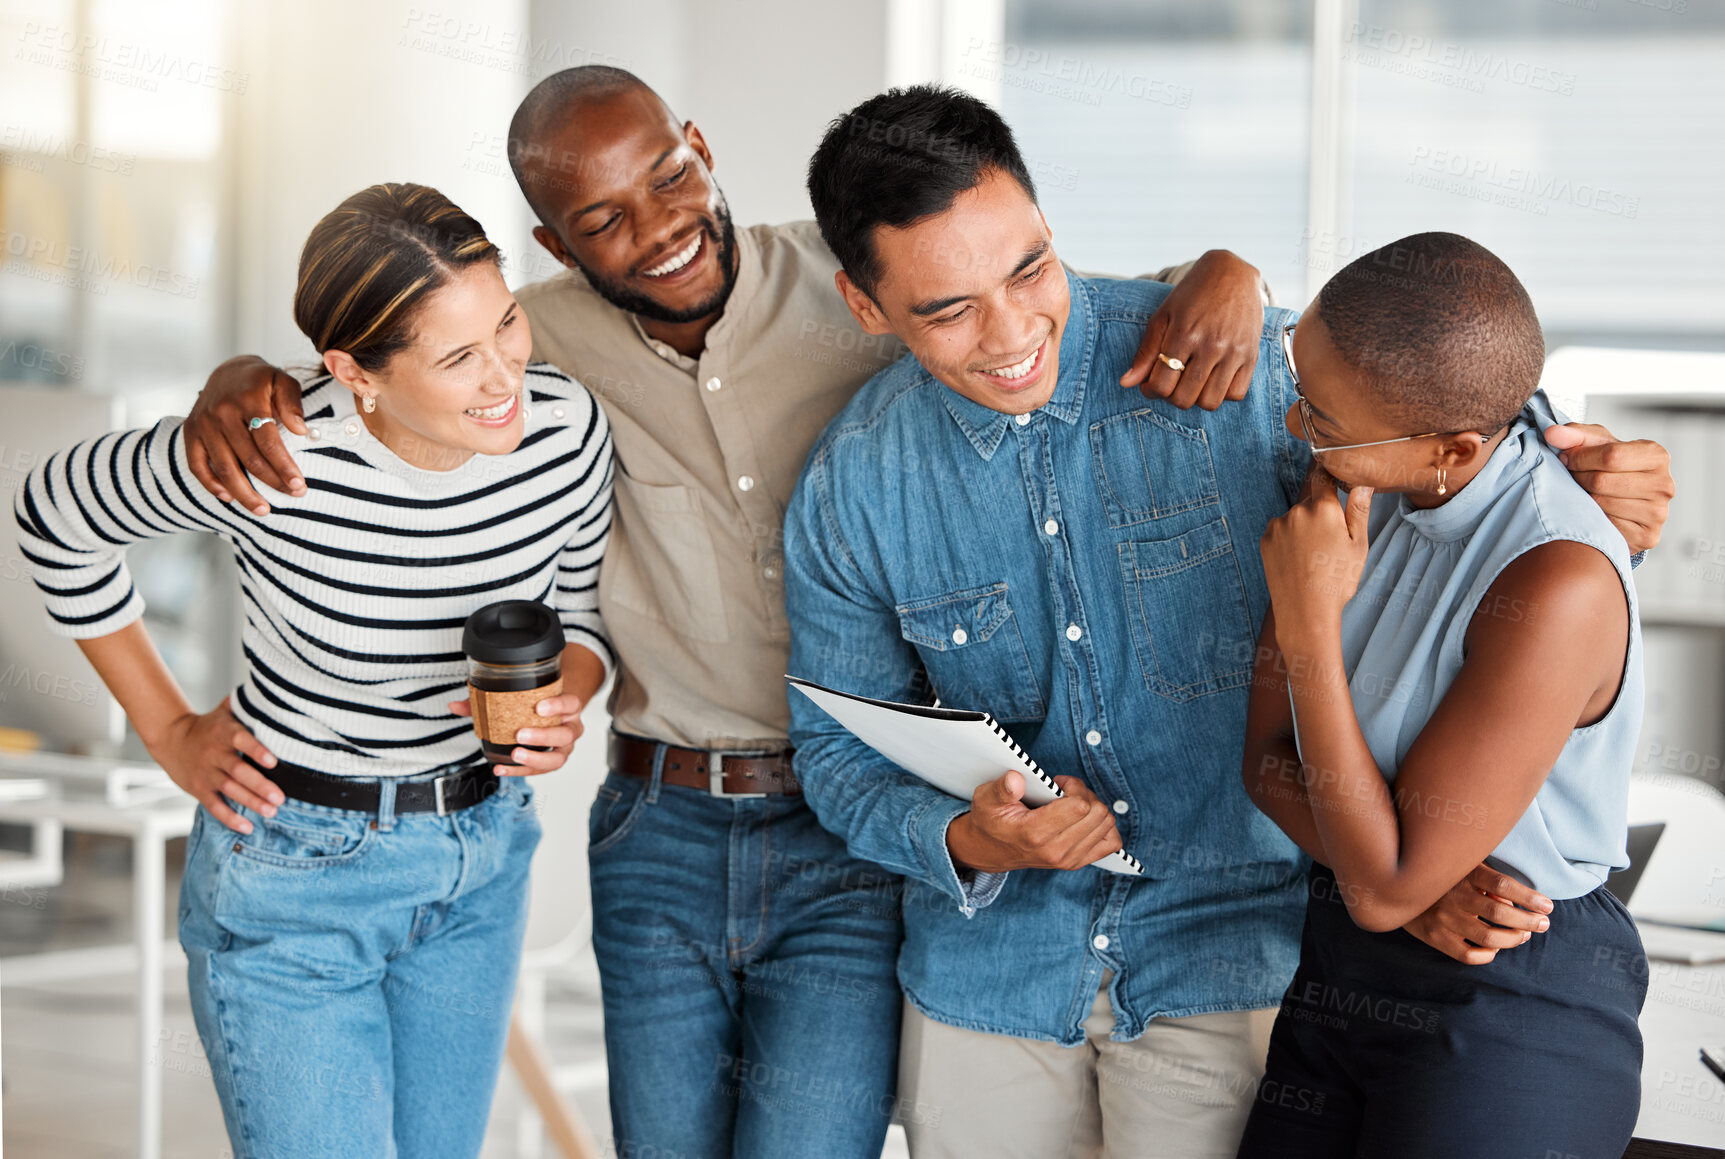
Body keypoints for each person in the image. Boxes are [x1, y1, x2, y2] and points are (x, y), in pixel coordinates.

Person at [172, 68, 1287, 1159]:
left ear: (700, 148)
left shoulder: (867, 286)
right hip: (666, 815)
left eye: (667, 178)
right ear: (557, 250)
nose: (657, 228)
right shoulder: (534, 345)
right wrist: (238, 377)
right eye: (600, 220)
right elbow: (394, 359)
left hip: (854, 837)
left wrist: (1229, 268)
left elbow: (1045, 304)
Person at [784, 85, 1672, 1158]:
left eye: (1029, 269)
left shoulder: (1240, 369)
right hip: (990, 981)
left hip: (1237, 962)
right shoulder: (853, 485)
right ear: (867, 306)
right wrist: (965, 836)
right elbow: (834, 752)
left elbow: (1449, 403)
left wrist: (1592, 458)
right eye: (948, 309)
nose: (1014, 332)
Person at [13, 183, 614, 1159]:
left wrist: (566, 698)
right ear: (354, 371)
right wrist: (167, 728)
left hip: (480, 854)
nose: (506, 373)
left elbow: (582, 606)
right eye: (459, 356)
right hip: (296, 870)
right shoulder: (273, 453)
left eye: (507, 322)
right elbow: (54, 514)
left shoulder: (564, 430)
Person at [1234, 233, 1646, 1159]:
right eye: (1304, 393)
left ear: (1452, 447)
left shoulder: (1555, 581)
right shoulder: (1356, 476)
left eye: (1324, 417)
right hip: (1338, 959)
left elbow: (1379, 879)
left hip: (1511, 982)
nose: (1299, 427)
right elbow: (1264, 765)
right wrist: (1393, 882)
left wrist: (1307, 627)